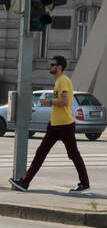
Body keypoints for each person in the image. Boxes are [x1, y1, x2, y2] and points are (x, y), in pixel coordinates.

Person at [9, 55, 90, 193]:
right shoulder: (60, 81)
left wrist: (49, 102)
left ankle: (25, 182)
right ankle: (25, 182)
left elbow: (64, 102)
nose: (50, 66)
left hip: (63, 125)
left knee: (69, 154)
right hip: (56, 124)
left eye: (52, 65)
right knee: (44, 153)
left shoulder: (62, 81)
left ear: (59, 67)